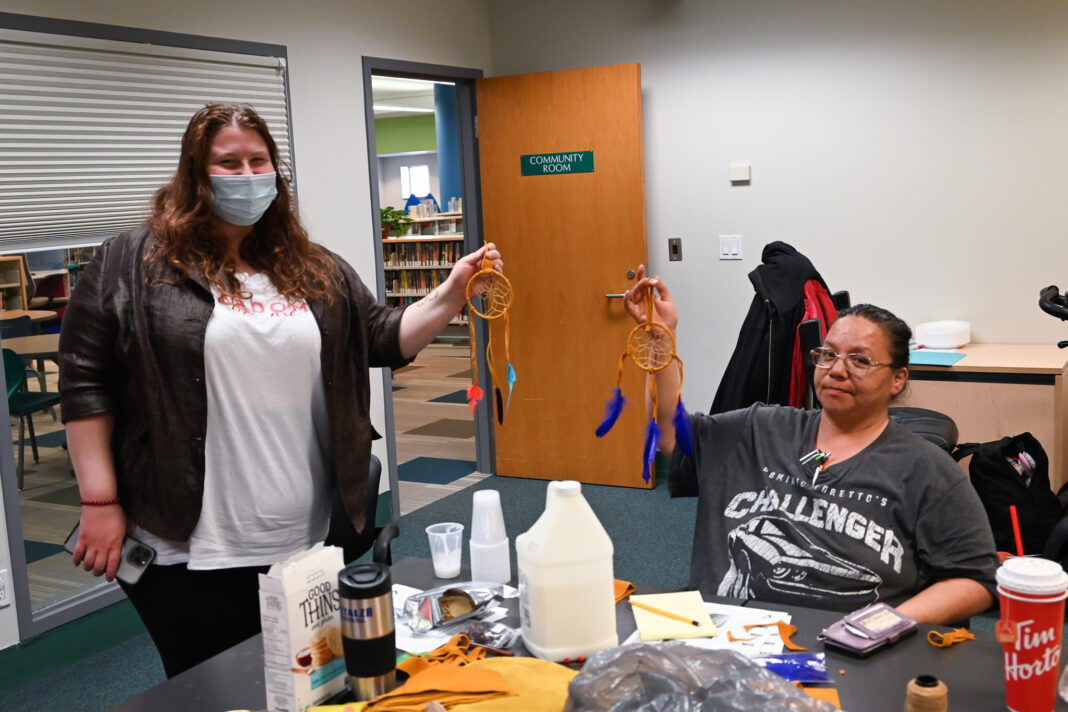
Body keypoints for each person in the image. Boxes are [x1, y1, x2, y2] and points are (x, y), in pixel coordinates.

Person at [59, 103, 503, 677]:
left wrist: (450, 293)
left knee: (299, 681)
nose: (247, 176)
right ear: (194, 173)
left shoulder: (311, 266)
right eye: (228, 163)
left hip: (300, 534)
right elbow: (85, 381)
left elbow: (380, 337)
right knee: (215, 688)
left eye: (258, 161)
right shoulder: (133, 262)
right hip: (188, 539)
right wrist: (99, 501)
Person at [623, 266, 998, 625]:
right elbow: (668, 433)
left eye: (860, 360)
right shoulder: (758, 429)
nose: (837, 369)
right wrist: (659, 339)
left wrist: (885, 625)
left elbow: (975, 580)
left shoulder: (927, 470)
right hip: (723, 640)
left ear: (898, 379)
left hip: (848, 654)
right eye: (829, 354)